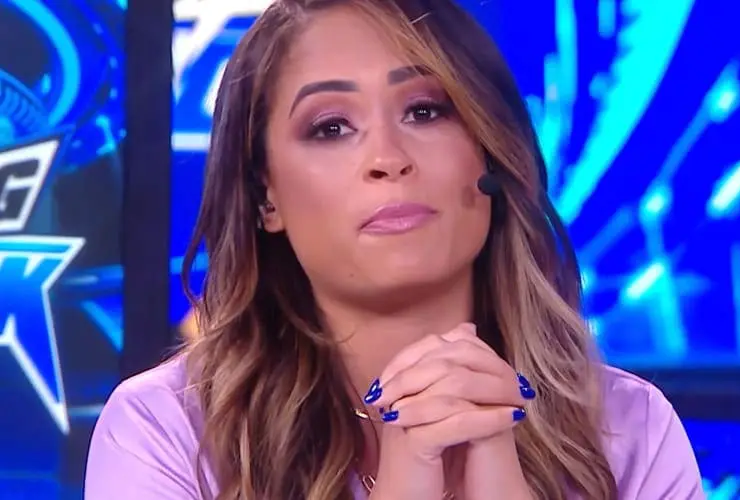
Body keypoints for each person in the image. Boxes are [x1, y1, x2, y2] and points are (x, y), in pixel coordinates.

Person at [84, 0, 705, 499]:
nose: (388, 158)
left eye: (425, 111)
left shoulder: (630, 428)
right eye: (331, 127)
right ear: (265, 196)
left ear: (489, 152)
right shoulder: (165, 430)